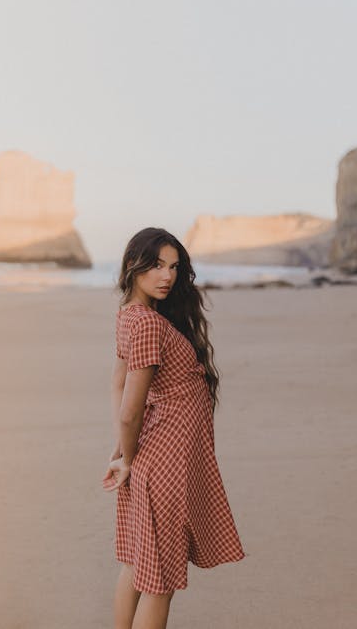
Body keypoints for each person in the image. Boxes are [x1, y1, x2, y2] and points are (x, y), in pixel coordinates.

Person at [102, 227, 246, 628]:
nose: (167, 276)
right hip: (165, 463)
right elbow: (131, 407)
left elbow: (117, 383)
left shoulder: (129, 315)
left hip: (151, 456)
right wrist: (127, 456)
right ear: (134, 265)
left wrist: (123, 452)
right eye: (156, 265)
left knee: (137, 564)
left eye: (174, 267)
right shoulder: (147, 323)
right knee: (159, 581)